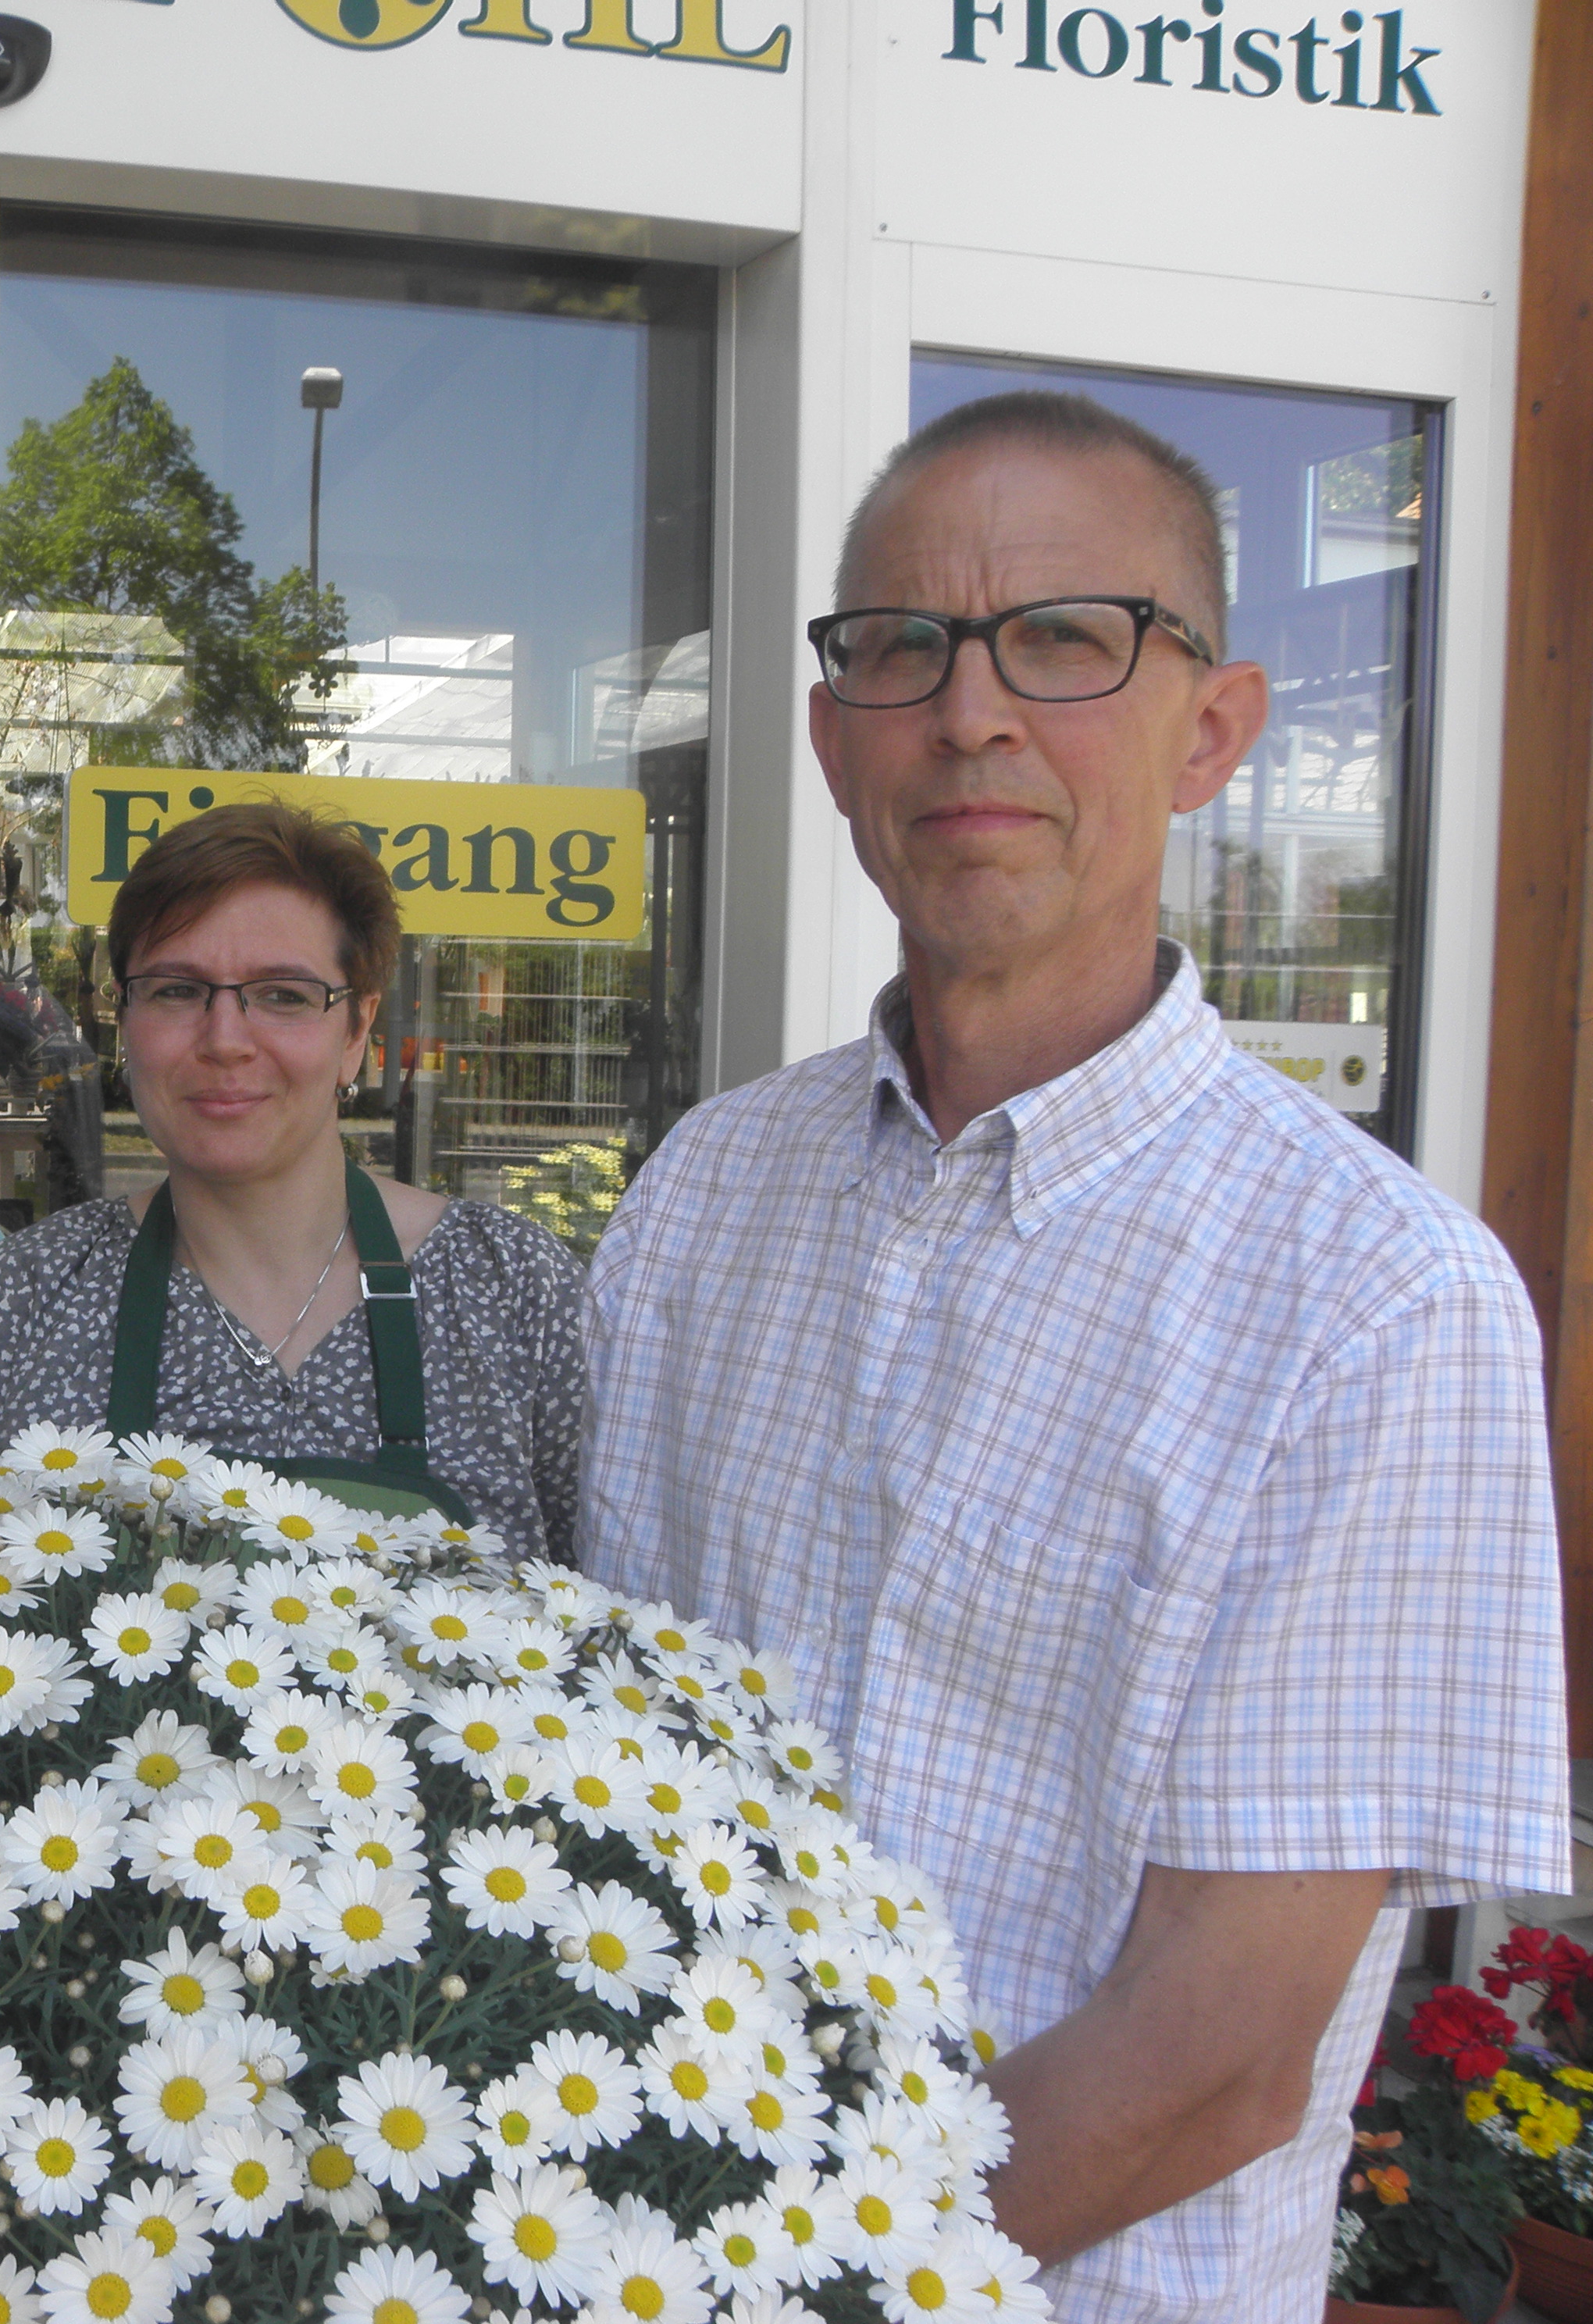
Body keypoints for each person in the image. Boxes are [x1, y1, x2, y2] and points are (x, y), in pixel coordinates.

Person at [576, 390, 1569, 2315]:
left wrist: (769, 2280)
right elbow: (624, 1772)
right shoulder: (706, 1193)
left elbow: (1210, 2055)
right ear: (831, 738)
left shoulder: (1375, 1302)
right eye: (902, 647)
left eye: (1062, 639)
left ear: (1211, 731)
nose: (970, 713)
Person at [0, 801, 583, 1553]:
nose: (225, 1041)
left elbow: (602, 1601)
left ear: (357, 1032)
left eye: (284, 996)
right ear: (125, 1020)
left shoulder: (515, 1290)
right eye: (176, 990)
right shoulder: (17, 1303)